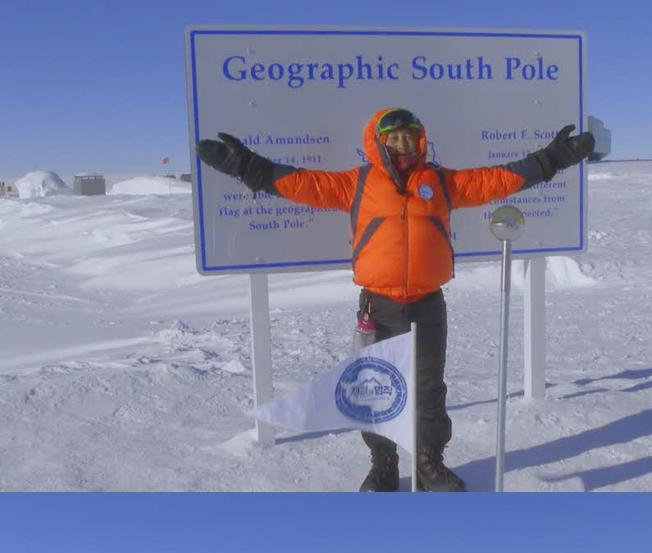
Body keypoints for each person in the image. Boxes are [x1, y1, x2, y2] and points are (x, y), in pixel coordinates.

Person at [196, 109, 594, 492]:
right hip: (377, 306)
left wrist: (552, 158)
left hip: (427, 303)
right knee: (375, 391)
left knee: (428, 389)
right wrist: (245, 165)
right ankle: (383, 465)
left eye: (410, 136)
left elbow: (496, 180)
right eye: (394, 138)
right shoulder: (356, 184)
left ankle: (430, 462)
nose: (403, 144)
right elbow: (301, 184)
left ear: (420, 140)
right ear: (378, 143)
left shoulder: (440, 182)